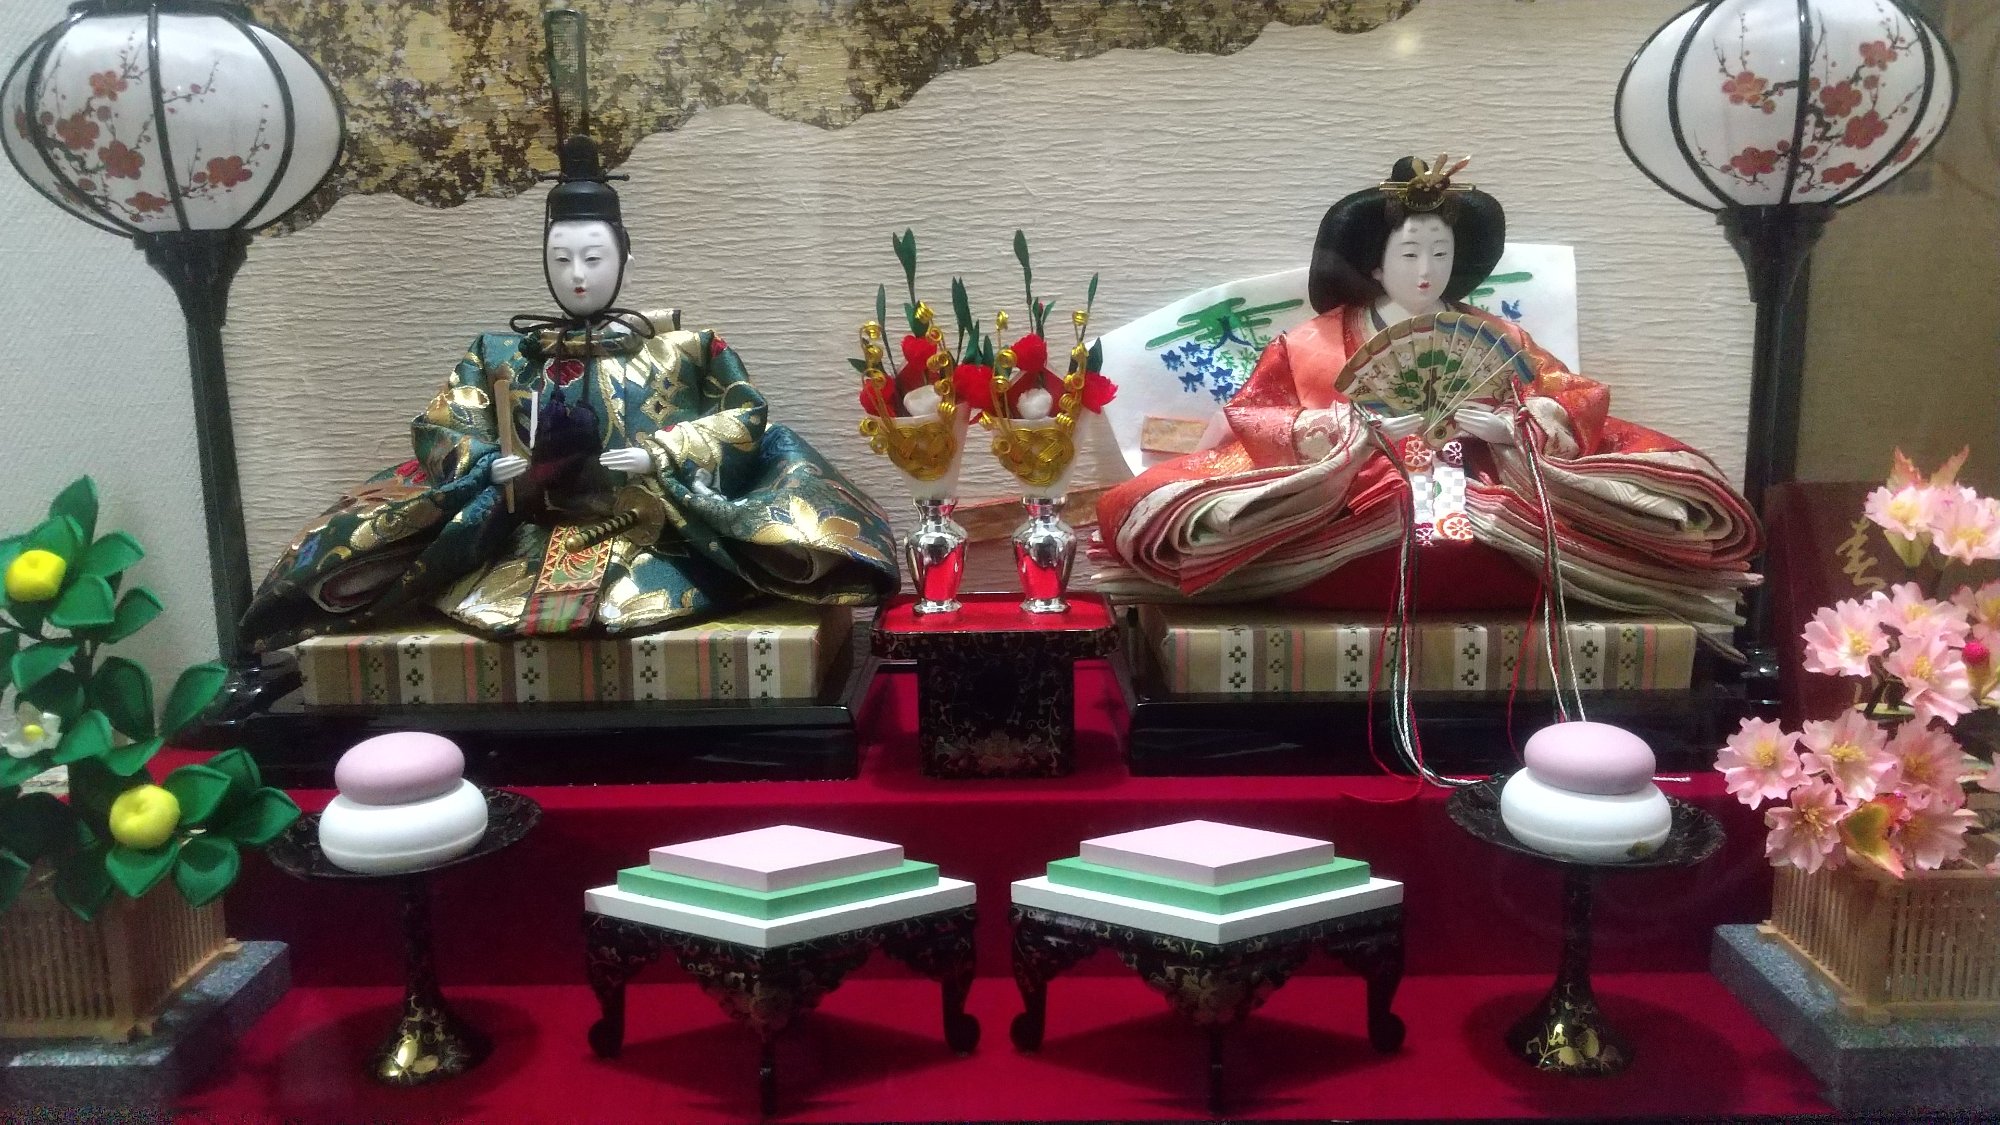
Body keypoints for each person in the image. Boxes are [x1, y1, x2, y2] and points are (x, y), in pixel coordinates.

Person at [240, 135, 897, 651]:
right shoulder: (500, 355)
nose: (577, 275)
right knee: (376, 548)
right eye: (561, 259)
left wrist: (663, 452)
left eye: (593, 257)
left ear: (625, 256)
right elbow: (442, 425)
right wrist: (484, 462)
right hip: (521, 539)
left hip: (655, 536)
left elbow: (745, 414)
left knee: (786, 521)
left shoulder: (684, 348)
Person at [1093, 156, 1760, 630]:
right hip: (1351, 495)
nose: (1426, 269)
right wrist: (1331, 434)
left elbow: (1573, 393)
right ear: (1375, 263)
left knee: (1560, 528)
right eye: (1410, 254)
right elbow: (1255, 412)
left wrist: (1514, 426)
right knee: (1192, 517)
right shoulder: (1311, 343)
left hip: (1480, 488)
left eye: (1440, 253)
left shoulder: (1497, 336)